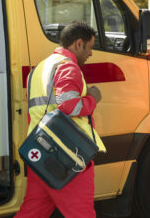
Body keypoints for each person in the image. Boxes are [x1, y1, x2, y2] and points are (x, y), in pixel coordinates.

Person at [15, 21, 106, 218]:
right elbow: (69, 105)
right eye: (90, 48)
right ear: (78, 43)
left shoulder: (39, 68)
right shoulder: (68, 67)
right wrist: (92, 99)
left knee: (32, 213)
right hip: (68, 155)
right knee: (82, 214)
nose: (91, 54)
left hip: (40, 152)